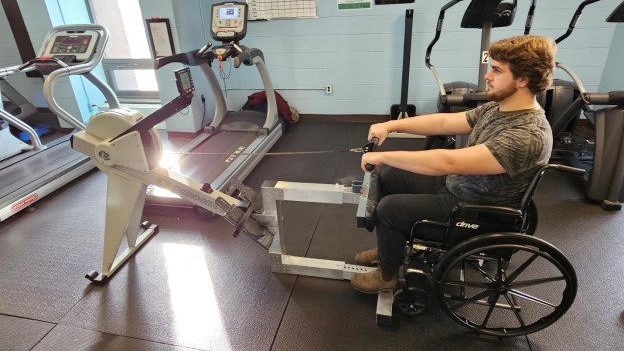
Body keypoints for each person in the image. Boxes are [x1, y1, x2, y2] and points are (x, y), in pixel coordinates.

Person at [351, 35, 556, 294]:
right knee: (391, 176)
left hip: (476, 211)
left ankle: (386, 276)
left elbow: (446, 162)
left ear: (523, 80)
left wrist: (382, 155)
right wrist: (391, 125)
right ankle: (388, 250)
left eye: (496, 70)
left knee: (390, 209)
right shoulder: (499, 107)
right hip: (461, 187)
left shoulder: (526, 135)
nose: (487, 76)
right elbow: (445, 123)